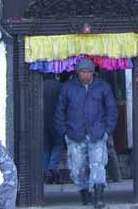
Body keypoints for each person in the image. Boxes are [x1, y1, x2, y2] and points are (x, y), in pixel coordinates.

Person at [55, 59, 118, 208]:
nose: (85, 75)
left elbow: (112, 110)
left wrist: (107, 131)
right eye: (83, 72)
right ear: (78, 73)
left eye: (88, 72)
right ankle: (84, 193)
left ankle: (99, 197)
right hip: (74, 134)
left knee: (98, 166)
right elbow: (60, 111)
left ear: (93, 73)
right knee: (77, 169)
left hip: (97, 134)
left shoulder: (103, 87)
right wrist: (64, 132)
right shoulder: (68, 88)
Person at [42, 73, 64, 184]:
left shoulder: (39, 86)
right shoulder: (59, 86)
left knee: (45, 148)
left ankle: (46, 171)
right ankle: (51, 167)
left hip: (42, 122)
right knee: (57, 145)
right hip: (57, 121)